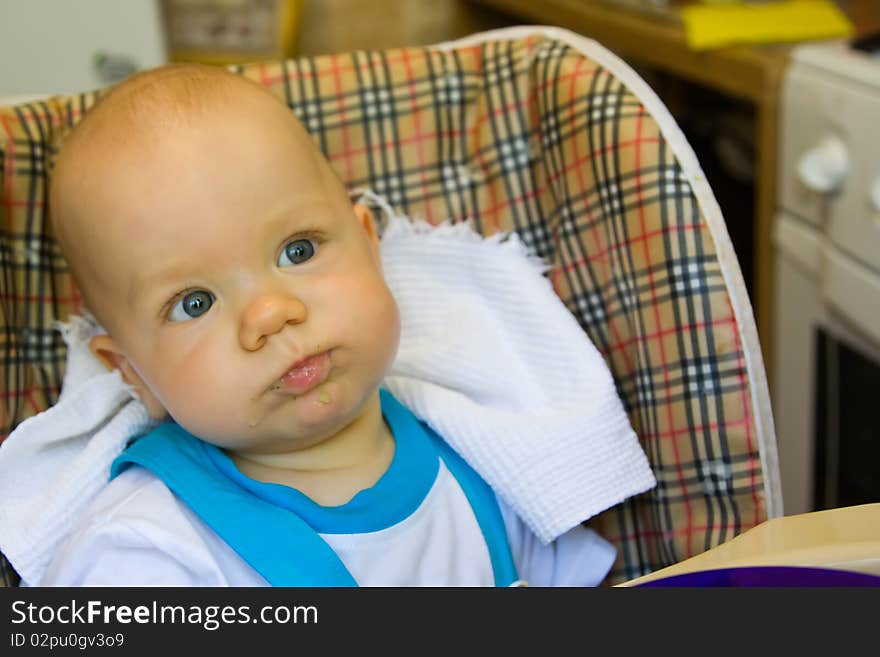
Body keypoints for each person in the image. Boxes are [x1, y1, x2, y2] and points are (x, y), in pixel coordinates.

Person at [40, 63, 616, 586]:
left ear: (370, 244)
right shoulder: (143, 555)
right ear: (133, 372)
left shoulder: (494, 474)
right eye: (195, 302)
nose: (270, 313)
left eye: (297, 251)